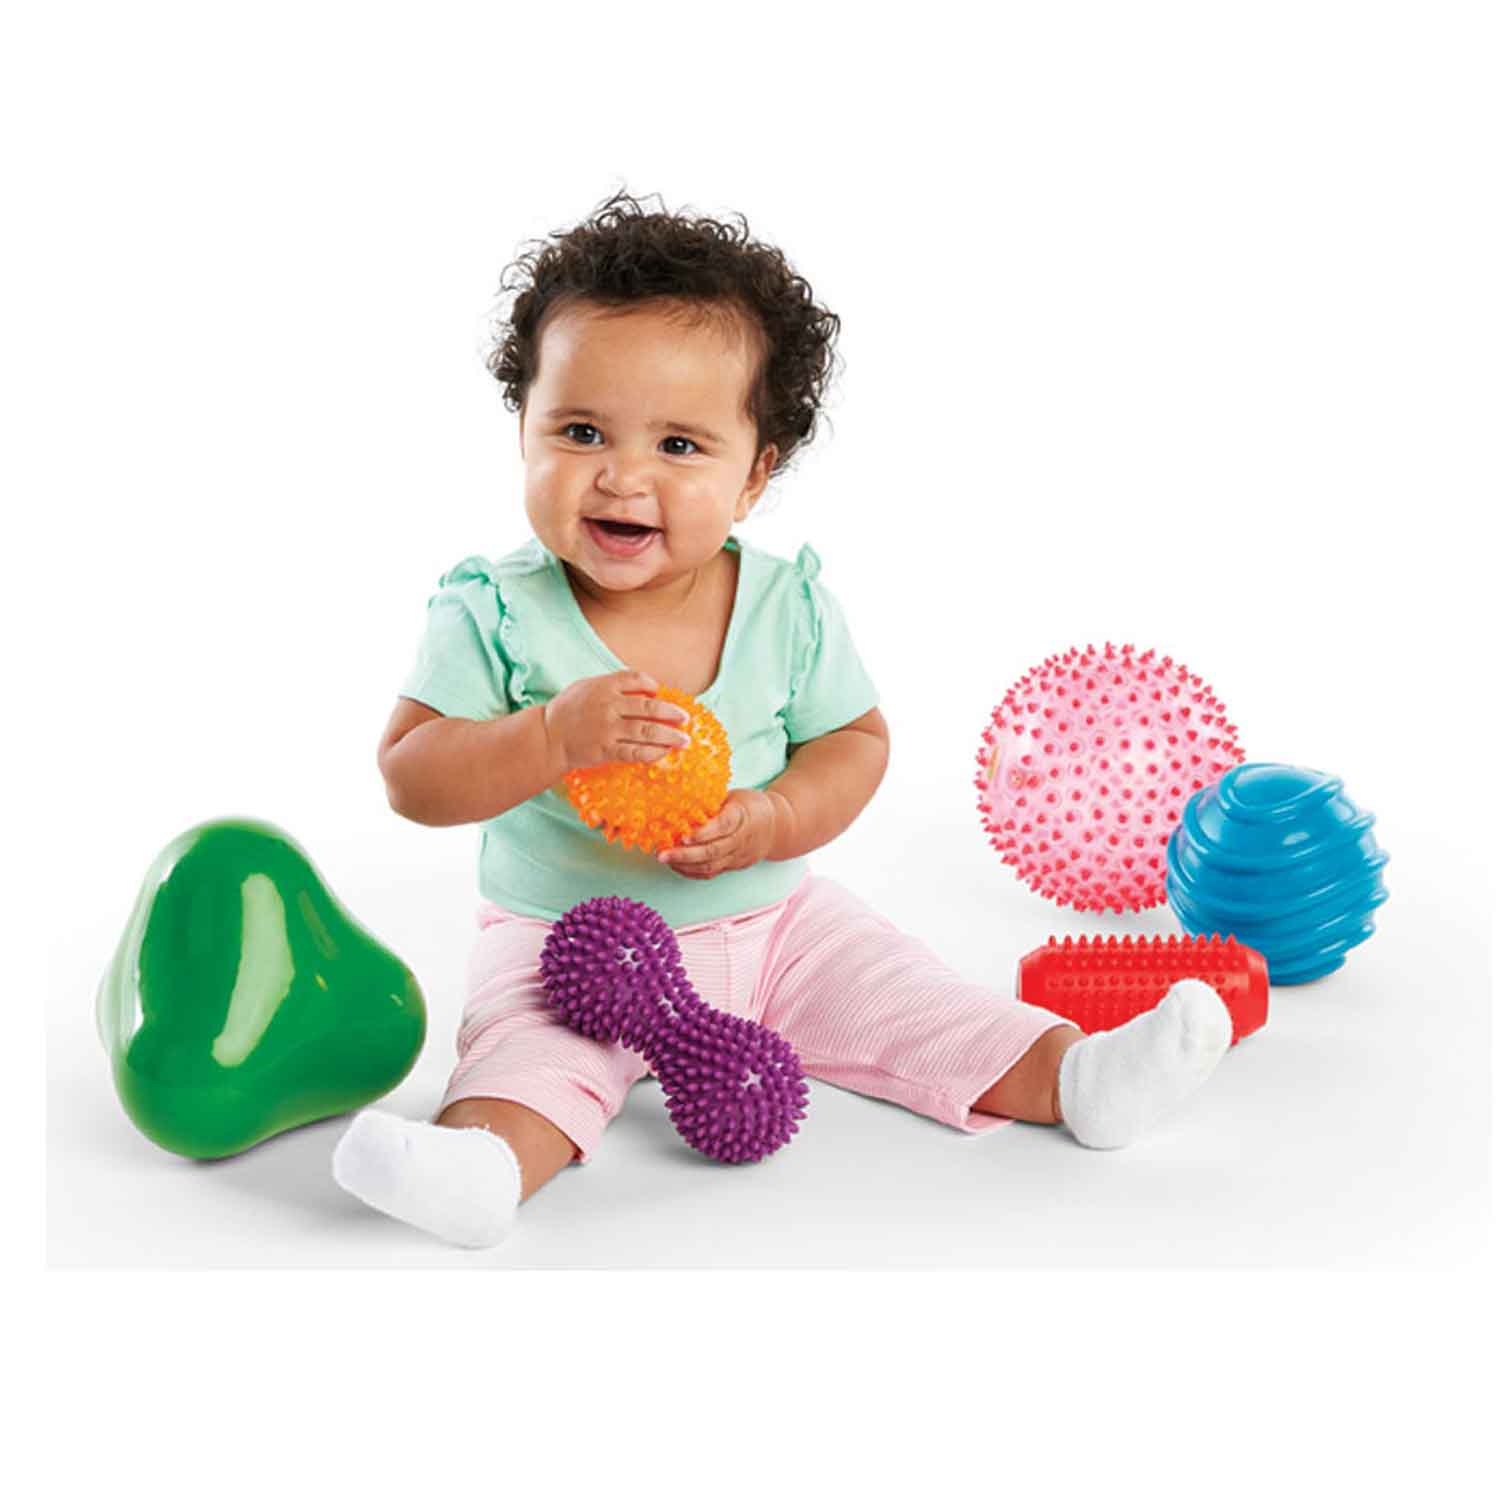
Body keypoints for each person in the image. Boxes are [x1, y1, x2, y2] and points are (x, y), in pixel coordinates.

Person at [332, 189, 1232, 1248]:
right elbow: (412, 773)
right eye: (579, 431)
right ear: (521, 428)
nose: (623, 475)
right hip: (565, 944)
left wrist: (774, 819)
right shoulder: (493, 610)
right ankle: (481, 1167)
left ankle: (1078, 1078)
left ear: (755, 474)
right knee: (524, 1056)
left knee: (913, 997)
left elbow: (854, 742)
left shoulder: (784, 606)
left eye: (680, 444)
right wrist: (548, 738)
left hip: (773, 925)